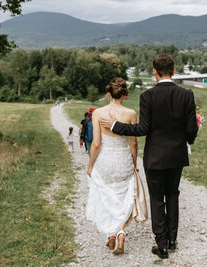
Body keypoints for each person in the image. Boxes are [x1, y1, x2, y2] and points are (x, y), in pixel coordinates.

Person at [101, 55, 198, 259]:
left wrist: (116, 126)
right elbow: (191, 129)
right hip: (176, 156)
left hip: (154, 157)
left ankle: (161, 244)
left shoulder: (147, 96)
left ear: (154, 72)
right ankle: (172, 240)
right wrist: (189, 138)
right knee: (173, 195)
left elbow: (143, 129)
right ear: (174, 71)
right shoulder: (187, 95)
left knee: (157, 198)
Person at [86, 78, 139, 255]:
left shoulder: (98, 113)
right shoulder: (131, 113)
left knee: (106, 195)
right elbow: (134, 143)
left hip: (105, 160)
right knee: (123, 196)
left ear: (108, 94)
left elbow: (95, 144)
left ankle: (111, 235)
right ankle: (120, 232)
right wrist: (134, 163)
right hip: (123, 158)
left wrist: (91, 164)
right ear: (124, 94)